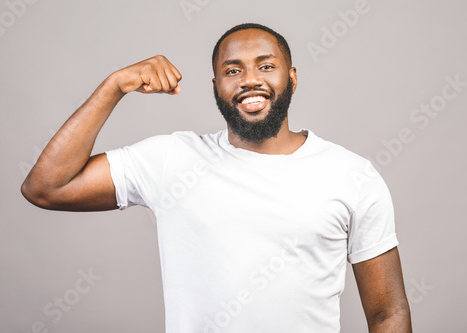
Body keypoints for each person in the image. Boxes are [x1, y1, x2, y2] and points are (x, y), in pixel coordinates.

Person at [21, 23, 412, 332]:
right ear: (216, 87)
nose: (249, 80)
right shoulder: (172, 160)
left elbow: (387, 314)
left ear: (291, 78)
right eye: (232, 70)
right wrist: (114, 86)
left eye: (266, 66)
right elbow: (46, 187)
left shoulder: (351, 175)